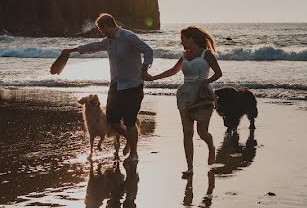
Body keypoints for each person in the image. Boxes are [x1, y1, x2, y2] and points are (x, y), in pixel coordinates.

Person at [62, 13, 153, 162]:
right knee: (112, 120)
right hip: (116, 85)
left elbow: (148, 51)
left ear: (107, 26)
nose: (101, 32)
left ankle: (134, 153)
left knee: (130, 121)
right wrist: (71, 50)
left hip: (133, 85)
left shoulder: (128, 36)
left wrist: (144, 68)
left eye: (101, 29)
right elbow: (92, 47)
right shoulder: (108, 41)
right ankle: (130, 140)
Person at [144, 26, 222, 176]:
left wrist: (206, 82)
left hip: (201, 96)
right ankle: (190, 168)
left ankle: (211, 147)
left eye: (183, 39)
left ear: (191, 39)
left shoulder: (207, 55)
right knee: (187, 132)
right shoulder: (185, 55)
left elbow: (218, 73)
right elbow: (173, 71)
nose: (181, 43)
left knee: (202, 132)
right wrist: (153, 78)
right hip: (184, 95)